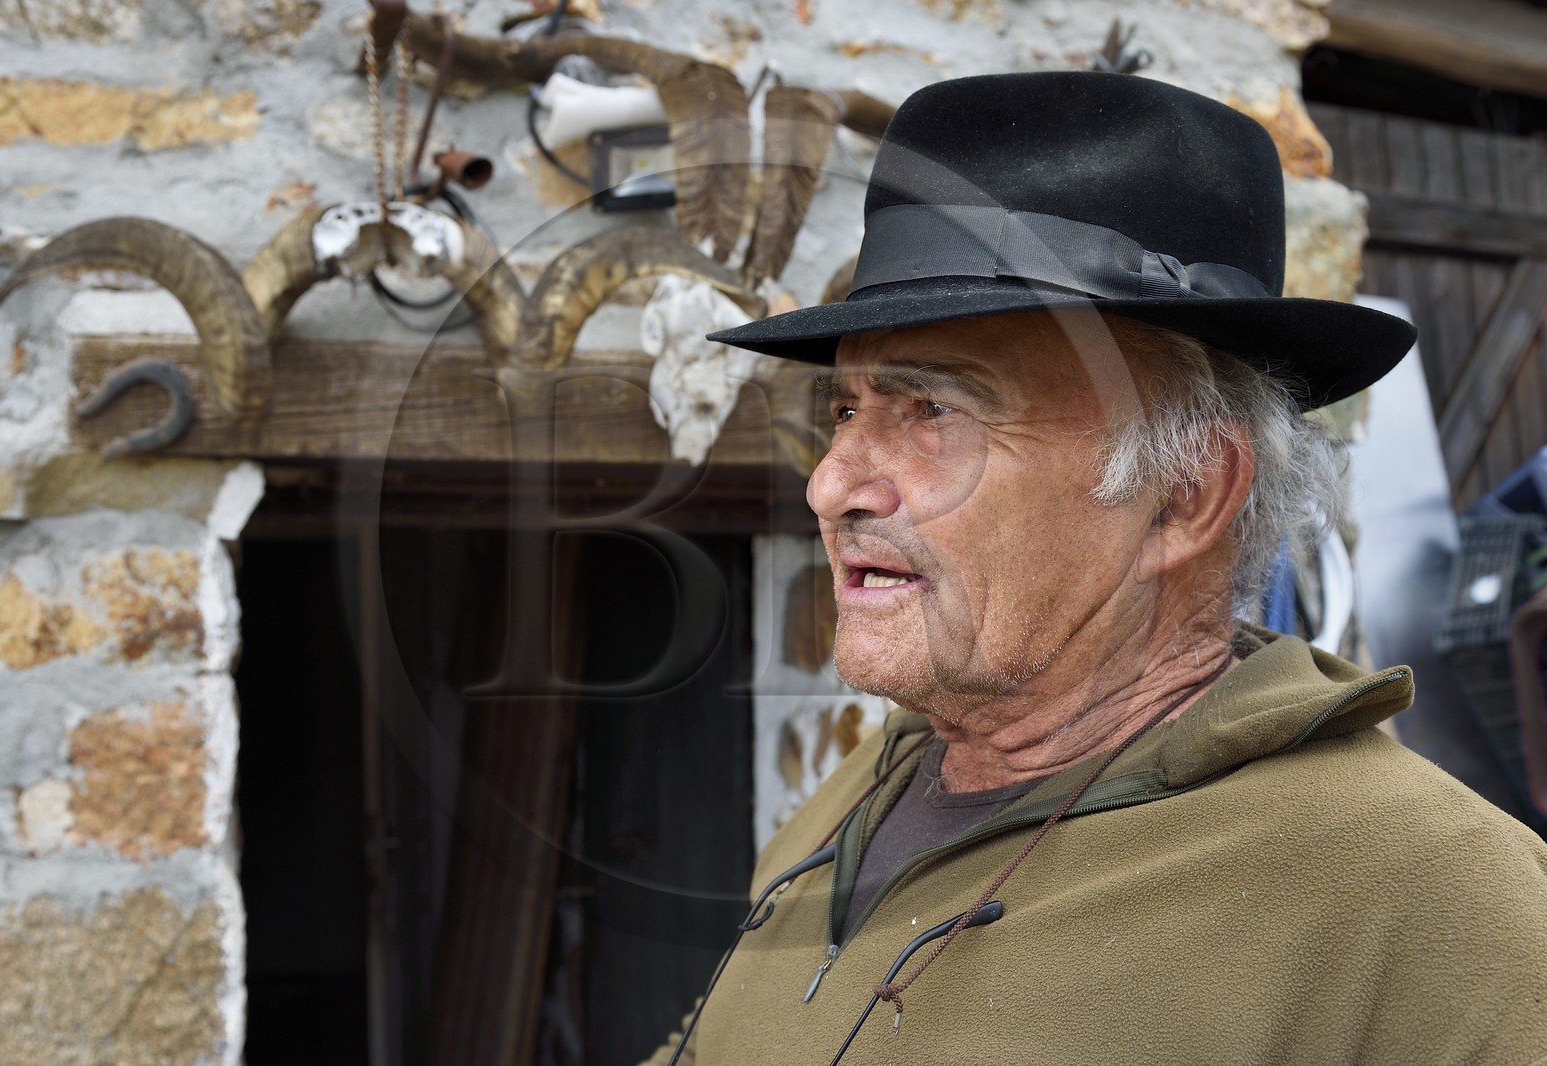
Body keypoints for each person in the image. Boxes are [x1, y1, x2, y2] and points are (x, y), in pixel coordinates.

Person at [644, 72, 1547, 1065]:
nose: (830, 486)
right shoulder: (871, 783)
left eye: (934, 409)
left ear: (1184, 493)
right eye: (847, 409)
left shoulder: (1445, 905)